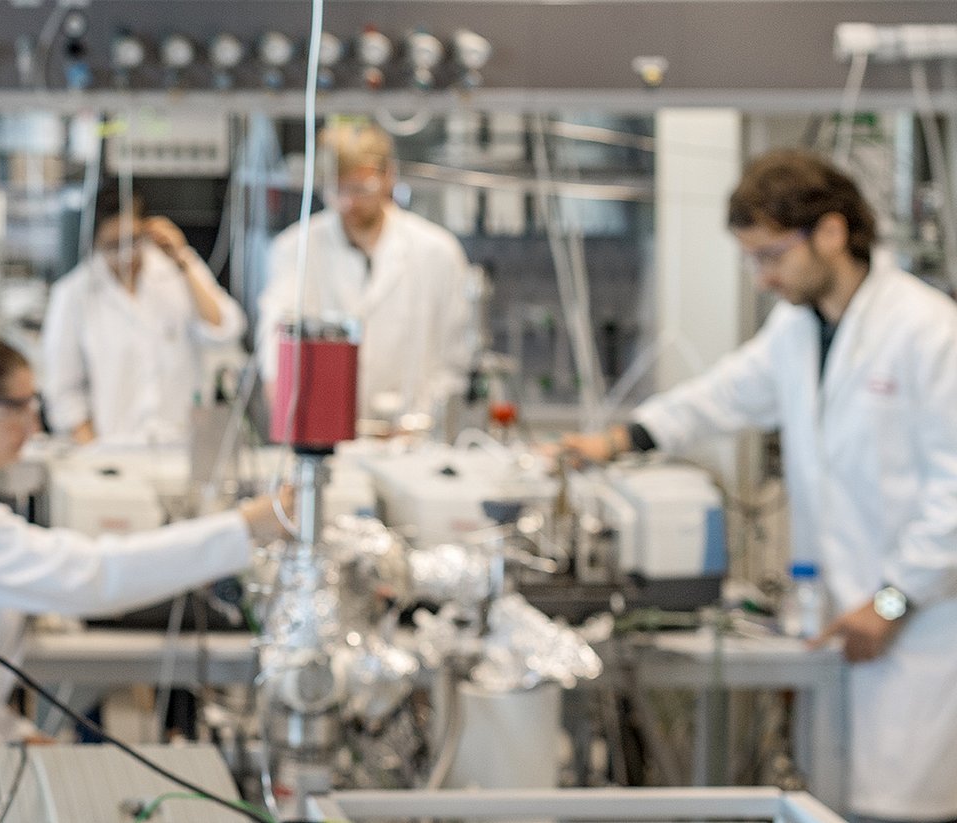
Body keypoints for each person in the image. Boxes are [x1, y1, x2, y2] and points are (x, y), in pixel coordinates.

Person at [561, 150, 957, 822]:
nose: (763, 276)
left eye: (771, 254)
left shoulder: (929, 330)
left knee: (909, 806)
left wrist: (891, 601)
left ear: (831, 232)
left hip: (919, 629)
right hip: (840, 622)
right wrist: (618, 440)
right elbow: (720, 396)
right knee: (836, 802)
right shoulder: (798, 329)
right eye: (753, 258)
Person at [0, 333, 292, 734]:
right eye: (16, 408)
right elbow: (92, 576)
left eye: (33, 405)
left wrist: (13, 733)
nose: (34, 425)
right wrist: (246, 528)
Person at [256, 121, 475, 424]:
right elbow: (277, 344)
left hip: (413, 435)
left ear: (389, 177)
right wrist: (290, 421)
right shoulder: (296, 248)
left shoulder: (436, 252)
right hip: (326, 431)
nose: (348, 202)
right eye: (337, 189)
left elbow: (456, 357)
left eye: (360, 188)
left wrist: (427, 420)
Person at [40, 191, 246, 446]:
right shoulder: (74, 294)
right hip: (113, 449)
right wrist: (94, 451)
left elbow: (225, 330)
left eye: (133, 241)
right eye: (113, 246)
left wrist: (183, 258)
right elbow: (63, 392)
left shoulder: (175, 270)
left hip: (181, 444)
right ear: (94, 242)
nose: (126, 255)